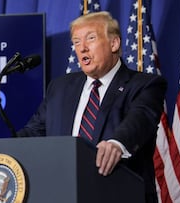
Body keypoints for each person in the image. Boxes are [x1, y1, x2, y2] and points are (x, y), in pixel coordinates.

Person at [16, 11, 167, 203]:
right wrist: (1, 146)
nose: (82, 48)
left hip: (119, 195)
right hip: (63, 194)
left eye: (91, 39)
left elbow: (139, 120)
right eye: (77, 42)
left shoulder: (145, 85)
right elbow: (34, 131)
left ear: (114, 43)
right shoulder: (60, 87)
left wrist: (117, 144)